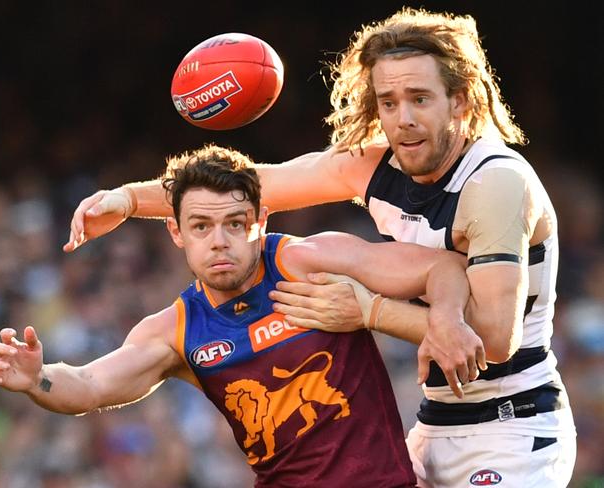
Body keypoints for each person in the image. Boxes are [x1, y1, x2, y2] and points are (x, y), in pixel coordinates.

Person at [62, 8, 576, 487]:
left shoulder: (497, 183)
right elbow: (249, 187)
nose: (404, 119)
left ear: (459, 101)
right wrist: (128, 199)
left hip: (514, 424)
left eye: (420, 99)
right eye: (389, 103)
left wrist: (370, 311)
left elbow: (492, 340)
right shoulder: (374, 167)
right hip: (433, 425)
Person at [0, 144, 479, 487]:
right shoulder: (177, 331)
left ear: (260, 221)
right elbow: (90, 386)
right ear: (177, 233)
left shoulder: (308, 261)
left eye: (234, 223)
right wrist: (39, 379)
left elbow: (443, 268)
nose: (219, 240)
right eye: (200, 226)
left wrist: (448, 321)